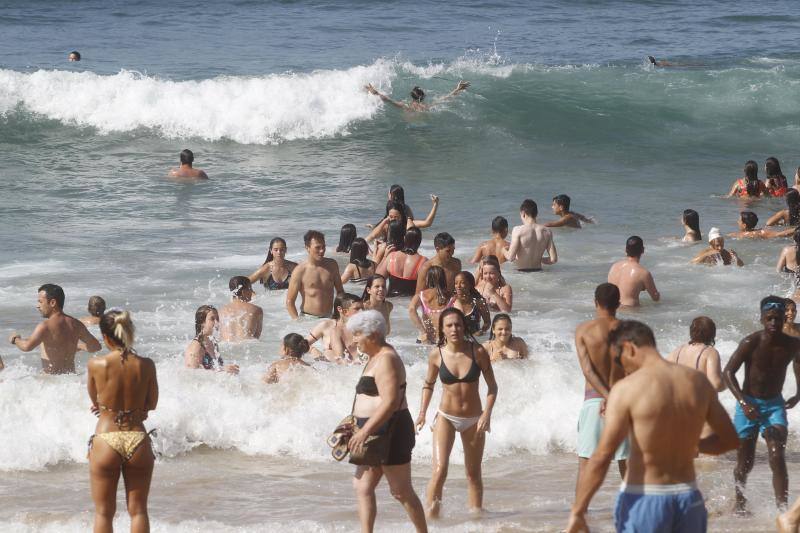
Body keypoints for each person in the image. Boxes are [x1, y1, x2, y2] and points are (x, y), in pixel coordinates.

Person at [566, 320, 738, 533]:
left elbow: (602, 457)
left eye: (618, 358)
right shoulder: (697, 382)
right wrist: (694, 445)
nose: (620, 365)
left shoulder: (627, 389)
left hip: (644, 499)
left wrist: (578, 511)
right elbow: (730, 439)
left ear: (629, 348)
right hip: (689, 499)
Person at [347, 310, 428, 533]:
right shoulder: (375, 357)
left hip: (390, 429)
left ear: (372, 334)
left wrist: (364, 432)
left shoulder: (386, 359)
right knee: (362, 485)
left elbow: (390, 402)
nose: (354, 340)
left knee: (400, 490)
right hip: (373, 429)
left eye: (357, 335)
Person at [416, 308, 497, 518]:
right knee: (439, 471)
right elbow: (428, 384)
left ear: (464, 326)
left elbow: (492, 388)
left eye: (458, 324)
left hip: (473, 420)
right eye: (449, 325)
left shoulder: (478, 352)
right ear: (442, 329)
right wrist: (423, 412)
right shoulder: (437, 354)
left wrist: (487, 414)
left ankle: (476, 521)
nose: (454, 329)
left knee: (473, 473)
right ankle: (431, 521)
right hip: (446, 417)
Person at [723, 296, 800, 512]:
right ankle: (740, 502)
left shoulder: (793, 344)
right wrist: (743, 402)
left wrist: (798, 393)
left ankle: (782, 510)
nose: (773, 323)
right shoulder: (751, 342)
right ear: (761, 318)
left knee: (777, 457)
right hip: (748, 404)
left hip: (774, 406)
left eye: (777, 318)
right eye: (769, 318)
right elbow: (728, 372)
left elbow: (798, 364)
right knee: (745, 462)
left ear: (784, 318)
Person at [87, 309, 158, 533]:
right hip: (137, 438)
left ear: (105, 337)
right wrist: (140, 410)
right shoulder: (146, 365)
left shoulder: (96, 364)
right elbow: (152, 403)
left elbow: (95, 401)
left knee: (103, 513)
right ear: (129, 332)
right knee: (138, 511)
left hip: (106, 437)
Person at [574, 283, 628, 486]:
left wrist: (606, 395)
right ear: (619, 304)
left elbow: (587, 370)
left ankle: (580, 513)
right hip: (621, 402)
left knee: (586, 464)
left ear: (595, 302)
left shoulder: (583, 330)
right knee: (626, 463)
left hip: (593, 401)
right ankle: (635, 511)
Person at [9, 284, 101, 374]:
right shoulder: (76, 324)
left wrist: (15, 339)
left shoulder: (45, 326)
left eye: (40, 302)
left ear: (53, 303)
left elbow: (26, 346)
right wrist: (80, 346)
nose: (37, 306)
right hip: (70, 381)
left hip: (51, 383)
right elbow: (96, 346)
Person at [286, 230, 344, 319]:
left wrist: (339, 315)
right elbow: (290, 301)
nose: (322, 250)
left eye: (323, 247)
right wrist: (297, 322)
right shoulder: (300, 271)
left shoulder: (332, 265)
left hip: (330, 316)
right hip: (309, 318)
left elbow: (340, 292)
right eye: (317, 247)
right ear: (307, 247)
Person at [667, 316, 724, 391]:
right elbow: (715, 385)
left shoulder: (676, 351)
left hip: (677, 400)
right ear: (712, 334)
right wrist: (726, 380)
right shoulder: (710, 353)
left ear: (691, 331)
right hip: (697, 400)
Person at [306, 293, 363, 362]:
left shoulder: (362, 328)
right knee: (328, 353)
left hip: (352, 365)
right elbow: (301, 344)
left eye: (362, 308)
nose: (362, 311)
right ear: (340, 309)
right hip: (331, 365)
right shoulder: (327, 325)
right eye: (357, 309)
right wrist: (313, 350)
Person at [504, 199, 557, 272]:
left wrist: (503, 250)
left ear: (523, 213)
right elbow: (553, 259)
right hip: (539, 272)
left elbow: (510, 257)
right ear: (536, 214)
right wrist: (539, 259)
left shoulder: (517, 230)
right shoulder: (547, 231)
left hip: (522, 274)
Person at [184, 305, 239, 374]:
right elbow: (191, 375)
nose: (216, 322)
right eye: (212, 319)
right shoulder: (196, 347)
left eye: (217, 318)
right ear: (202, 322)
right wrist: (222, 370)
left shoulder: (213, 341)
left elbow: (214, 369)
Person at [607, 236, 660, 307]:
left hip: (612, 309)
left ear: (625, 250)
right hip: (631, 312)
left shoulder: (614, 267)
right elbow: (655, 298)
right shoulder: (643, 273)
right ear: (643, 250)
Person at [376, 227, 427, 297]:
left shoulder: (392, 256)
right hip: (408, 304)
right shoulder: (423, 261)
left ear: (404, 238)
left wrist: (385, 256)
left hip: (391, 300)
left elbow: (378, 277)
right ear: (420, 241)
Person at [409, 266, 454, 344]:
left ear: (428, 279)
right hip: (444, 341)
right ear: (444, 279)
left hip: (425, 339)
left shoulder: (421, 295)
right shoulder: (451, 297)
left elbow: (411, 310)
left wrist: (423, 332)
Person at [367, 197, 440, 243]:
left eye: (396, 217)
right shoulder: (386, 226)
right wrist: (384, 221)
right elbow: (371, 237)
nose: (393, 219)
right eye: (391, 216)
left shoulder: (407, 225)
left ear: (402, 216)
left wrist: (435, 205)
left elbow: (427, 223)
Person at [365, 80, 470, 111]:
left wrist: (375, 92)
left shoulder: (405, 105)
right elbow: (446, 98)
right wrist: (457, 89)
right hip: (422, 128)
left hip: (409, 128)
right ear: (421, 97)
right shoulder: (424, 107)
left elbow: (387, 99)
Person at [219, 276, 263, 341]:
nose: (252, 292)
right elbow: (256, 338)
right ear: (243, 292)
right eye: (250, 289)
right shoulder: (256, 310)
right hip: (247, 348)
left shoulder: (220, 311)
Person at [451, 272, 490, 337]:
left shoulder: (479, 302)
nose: (458, 286)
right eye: (456, 283)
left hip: (475, 339)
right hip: (455, 339)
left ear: (470, 284)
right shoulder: (451, 301)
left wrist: (481, 331)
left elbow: (487, 322)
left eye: (462, 283)